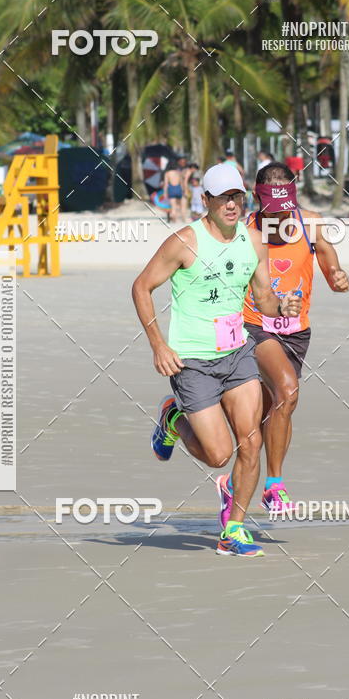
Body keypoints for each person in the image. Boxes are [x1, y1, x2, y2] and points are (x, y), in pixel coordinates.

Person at [132, 163, 302, 557]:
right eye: (223, 197)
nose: (231, 204)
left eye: (237, 196)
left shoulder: (254, 241)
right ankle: (173, 418)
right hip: (193, 361)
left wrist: (282, 307)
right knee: (218, 455)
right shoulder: (184, 242)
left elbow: (263, 299)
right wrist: (159, 345)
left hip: (237, 354)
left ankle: (233, 530)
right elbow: (141, 287)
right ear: (205, 200)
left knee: (251, 442)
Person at [214, 161, 349, 516]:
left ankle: (232, 487)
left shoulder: (311, 223)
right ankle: (274, 487)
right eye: (271, 209)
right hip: (254, 325)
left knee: (272, 411)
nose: (278, 216)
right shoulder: (243, 229)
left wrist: (337, 276)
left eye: (284, 207)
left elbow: (330, 264)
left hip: (296, 331)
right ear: (258, 199)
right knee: (288, 390)